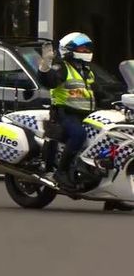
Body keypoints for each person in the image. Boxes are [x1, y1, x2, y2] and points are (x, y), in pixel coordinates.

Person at [39, 32, 134, 211]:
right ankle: (61, 171)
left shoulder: (86, 71)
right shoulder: (63, 67)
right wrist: (45, 66)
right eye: (82, 48)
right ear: (70, 50)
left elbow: (99, 93)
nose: (86, 51)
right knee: (78, 134)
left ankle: (111, 190)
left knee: (112, 138)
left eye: (87, 48)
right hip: (65, 114)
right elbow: (49, 82)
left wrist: (120, 101)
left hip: (85, 114)